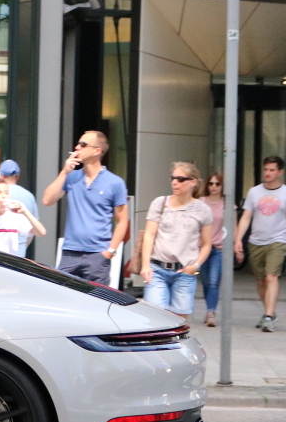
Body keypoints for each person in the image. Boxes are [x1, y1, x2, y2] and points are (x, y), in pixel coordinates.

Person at [41, 130, 129, 285]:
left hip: (97, 255)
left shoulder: (115, 183)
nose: (77, 147)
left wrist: (110, 252)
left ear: (97, 151)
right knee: (63, 299)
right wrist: (64, 172)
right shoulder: (72, 177)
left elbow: (122, 221)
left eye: (82, 144)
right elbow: (47, 200)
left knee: (97, 303)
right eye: (78, 144)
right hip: (70, 252)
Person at [234, 156, 286, 332]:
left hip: (278, 241)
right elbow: (246, 217)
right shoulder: (254, 192)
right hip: (256, 241)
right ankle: (268, 312)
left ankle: (268, 315)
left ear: (280, 172)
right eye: (266, 169)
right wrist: (238, 240)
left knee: (271, 276)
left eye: (272, 170)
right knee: (260, 281)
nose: (268, 173)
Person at [138, 163, 213, 321]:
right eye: (173, 178)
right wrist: (145, 265)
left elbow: (207, 244)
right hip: (157, 269)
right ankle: (156, 346)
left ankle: (174, 346)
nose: (174, 183)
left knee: (179, 321)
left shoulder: (202, 210)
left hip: (184, 272)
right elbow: (149, 235)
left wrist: (195, 266)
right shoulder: (160, 203)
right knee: (154, 316)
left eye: (180, 179)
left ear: (193, 182)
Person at [0, 159, 40, 257]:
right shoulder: (29, 196)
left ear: (2, 176)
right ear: (17, 177)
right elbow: (34, 228)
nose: (4, 195)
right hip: (19, 252)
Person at [200, 172, 227, 326]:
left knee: (213, 281)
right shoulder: (201, 202)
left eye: (217, 184)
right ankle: (209, 308)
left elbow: (232, 226)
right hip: (202, 247)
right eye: (211, 184)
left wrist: (236, 245)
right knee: (205, 282)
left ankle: (211, 312)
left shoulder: (227, 204)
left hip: (218, 248)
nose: (214, 187)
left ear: (222, 186)